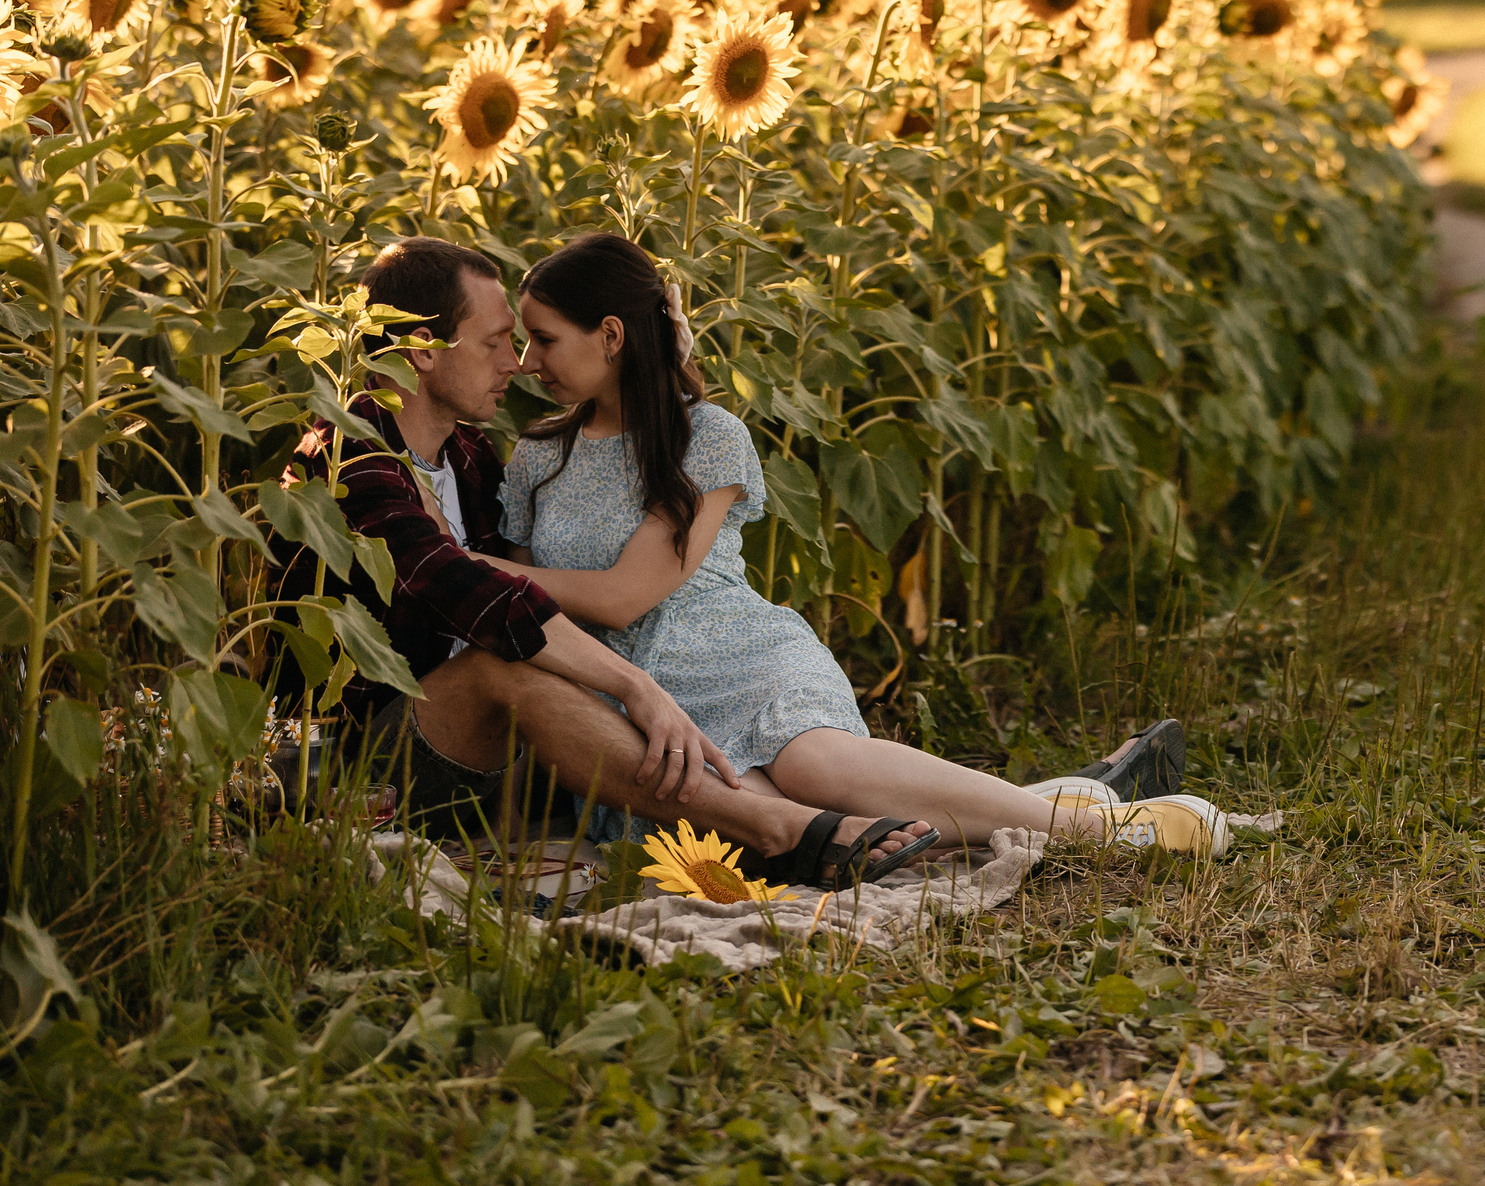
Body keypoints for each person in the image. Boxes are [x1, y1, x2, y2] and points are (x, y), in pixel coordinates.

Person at [286, 236, 1212, 895]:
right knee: (530, 674)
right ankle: (1064, 802)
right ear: (417, 348)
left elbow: (553, 585)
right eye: (498, 342)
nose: (519, 363)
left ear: (612, 335)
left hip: (654, 686)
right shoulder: (353, 457)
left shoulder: (480, 455)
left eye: (529, 340)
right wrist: (635, 689)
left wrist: (586, 652)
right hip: (389, 751)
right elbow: (483, 594)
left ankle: (1072, 813)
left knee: (806, 768)